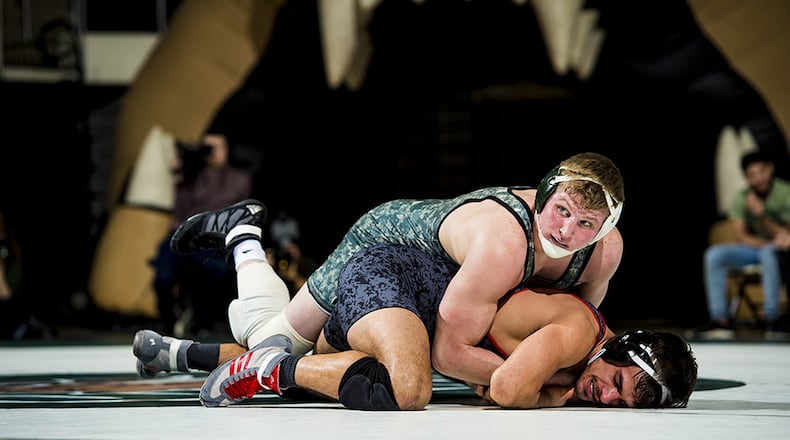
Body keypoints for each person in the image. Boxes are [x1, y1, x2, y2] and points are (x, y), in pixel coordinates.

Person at [169, 152, 625, 387]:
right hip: (388, 243)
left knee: (291, 354)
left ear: (608, 228)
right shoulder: (504, 242)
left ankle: (185, 349)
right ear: (545, 192)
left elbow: (574, 325)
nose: (566, 231)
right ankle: (242, 236)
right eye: (561, 210)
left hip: (442, 282)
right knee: (275, 342)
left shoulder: (605, 253)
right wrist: (527, 376)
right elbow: (449, 355)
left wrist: (546, 365)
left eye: (586, 223)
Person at [134, 238, 696, 409]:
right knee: (405, 390)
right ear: (621, 350)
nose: (608, 399)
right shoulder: (577, 337)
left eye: (626, 404)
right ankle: (273, 369)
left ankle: (184, 354)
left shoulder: (585, 345)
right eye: (620, 384)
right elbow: (506, 388)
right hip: (402, 282)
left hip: (413, 311)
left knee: (275, 334)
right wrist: (560, 392)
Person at [150, 132, 253, 335]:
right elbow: (179, 212)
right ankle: (168, 320)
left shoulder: (238, 179)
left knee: (218, 272)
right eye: (207, 148)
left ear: (227, 150)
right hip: (184, 237)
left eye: (217, 148)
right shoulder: (190, 177)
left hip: (215, 240)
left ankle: (200, 321)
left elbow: (239, 212)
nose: (212, 153)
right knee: (162, 275)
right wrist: (184, 174)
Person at [693, 150, 790, 340]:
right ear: (746, 177)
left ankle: (772, 317)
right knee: (715, 255)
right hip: (756, 247)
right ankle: (719, 317)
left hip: (777, 249)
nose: (758, 179)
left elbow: (785, 236)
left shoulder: (785, 192)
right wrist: (766, 242)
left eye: (761, 172)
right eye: (752, 175)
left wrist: (761, 214)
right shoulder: (742, 197)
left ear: (770, 169)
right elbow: (741, 236)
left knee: (769, 253)